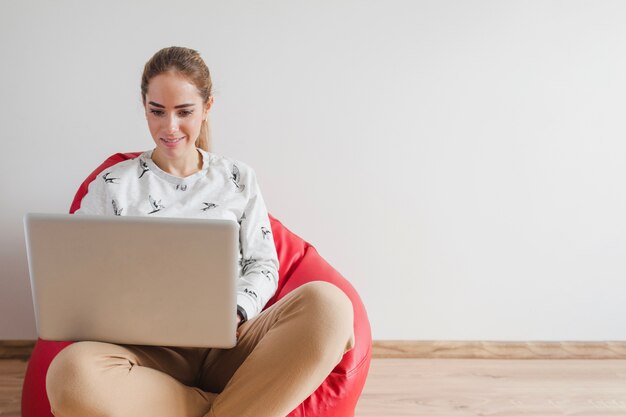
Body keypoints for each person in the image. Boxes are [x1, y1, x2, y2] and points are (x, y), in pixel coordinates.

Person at [45, 46, 355, 417]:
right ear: (143, 106)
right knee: (70, 374)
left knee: (330, 305)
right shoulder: (113, 185)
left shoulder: (237, 178)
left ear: (207, 108)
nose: (169, 127)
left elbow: (263, 263)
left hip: (230, 345)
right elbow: (73, 270)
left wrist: (238, 312)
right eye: (156, 111)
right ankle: (227, 409)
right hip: (143, 355)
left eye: (184, 112)